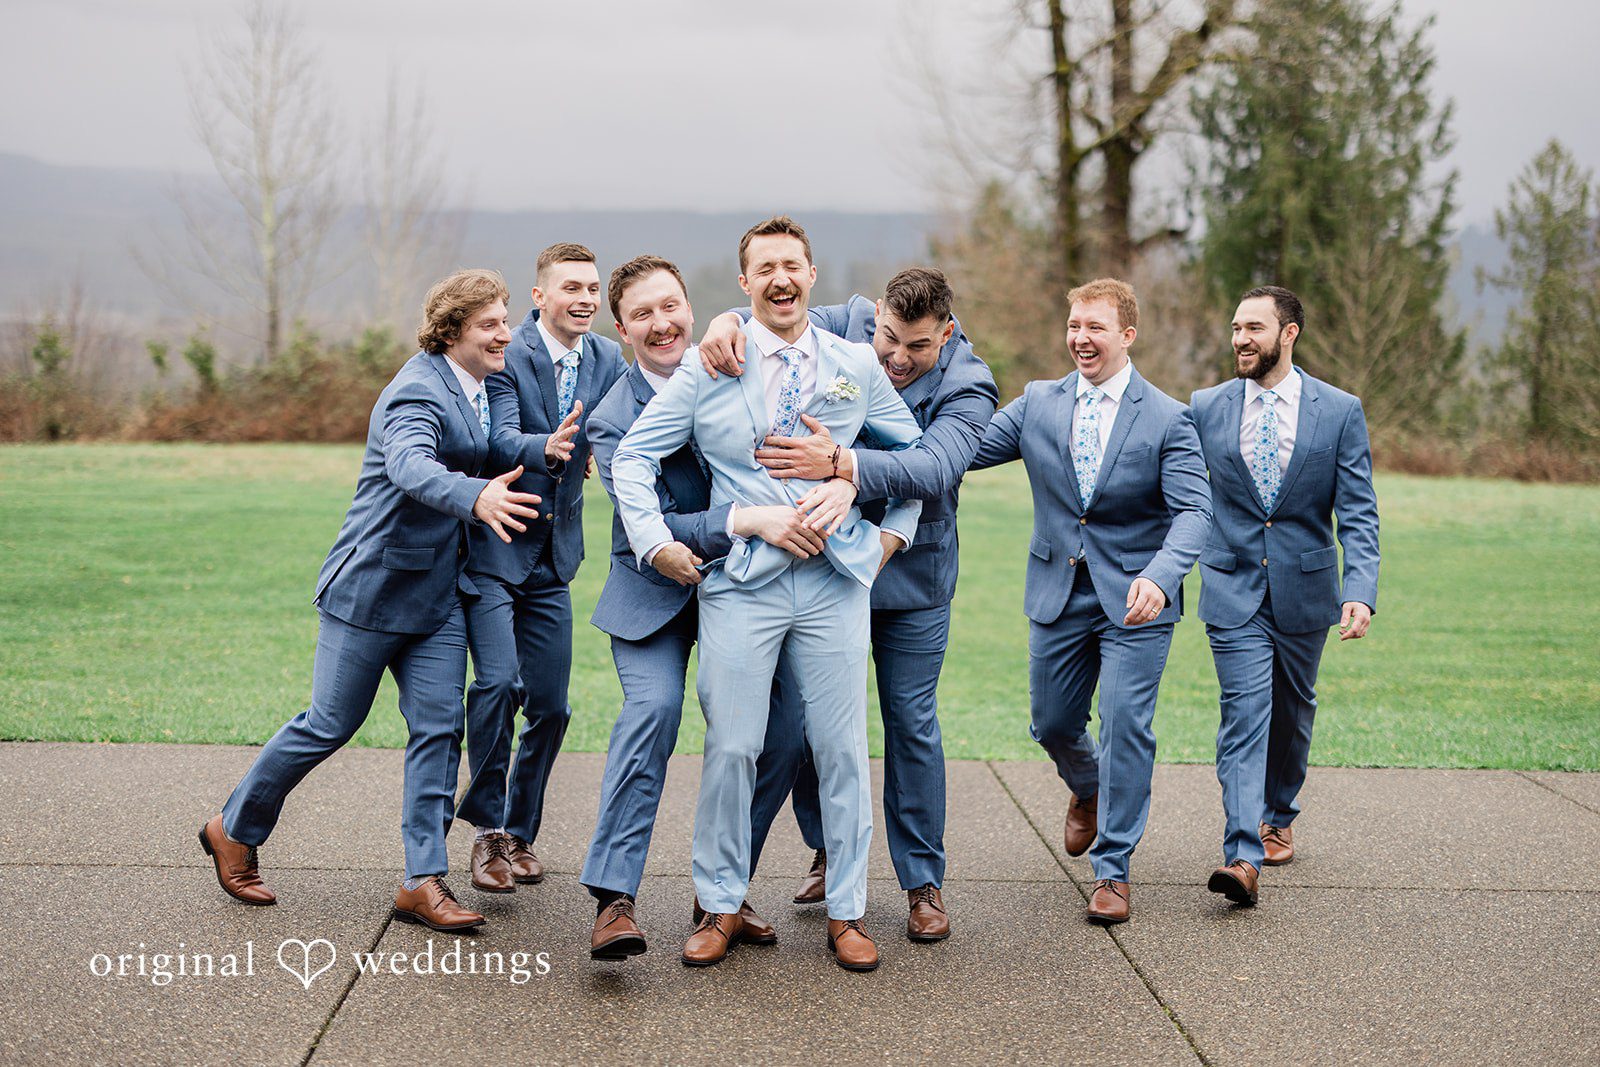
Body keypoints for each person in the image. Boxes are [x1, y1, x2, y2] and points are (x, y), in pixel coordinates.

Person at [611, 216, 923, 971]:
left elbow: (915, 455)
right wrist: (657, 542)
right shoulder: (710, 365)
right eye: (765, 268)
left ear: (811, 276)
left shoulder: (856, 361)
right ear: (745, 283)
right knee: (734, 748)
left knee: (843, 750)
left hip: (834, 584)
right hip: (741, 587)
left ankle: (847, 911)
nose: (781, 278)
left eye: (794, 264)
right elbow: (631, 457)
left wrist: (876, 518)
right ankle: (719, 902)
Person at [199, 269, 541, 932]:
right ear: (450, 333)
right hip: (371, 591)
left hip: (437, 595)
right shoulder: (415, 392)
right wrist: (476, 495)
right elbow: (411, 466)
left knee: (439, 728)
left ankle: (422, 879)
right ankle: (232, 826)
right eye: (491, 323)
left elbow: (498, 441)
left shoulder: (485, 385)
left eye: (505, 318)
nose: (505, 332)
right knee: (327, 723)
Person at [697, 267, 999, 941]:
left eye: (916, 348)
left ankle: (923, 882)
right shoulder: (848, 320)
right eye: (888, 337)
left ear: (945, 335)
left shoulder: (970, 383)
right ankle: (801, 858)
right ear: (876, 317)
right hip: (816, 564)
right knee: (799, 722)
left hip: (909, 575)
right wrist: (723, 324)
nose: (895, 357)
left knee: (910, 720)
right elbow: (774, 319)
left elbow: (933, 469)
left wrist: (842, 464)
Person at [580, 255, 809, 959]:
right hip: (654, 590)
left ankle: (724, 889)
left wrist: (730, 318)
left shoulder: (734, 361)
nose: (662, 323)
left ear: (691, 307)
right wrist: (744, 517)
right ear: (622, 330)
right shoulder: (613, 418)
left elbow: (818, 323)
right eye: (643, 314)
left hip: (745, 589)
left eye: (672, 306)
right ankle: (614, 899)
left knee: (786, 723)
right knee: (653, 711)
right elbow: (661, 518)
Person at [969, 277, 1210, 925]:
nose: (1081, 338)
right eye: (1074, 325)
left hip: (1138, 600)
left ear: (1127, 335)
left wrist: (1161, 575)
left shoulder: (1168, 417)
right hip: (1056, 591)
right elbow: (962, 450)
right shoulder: (1037, 403)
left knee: (1126, 724)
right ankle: (1088, 785)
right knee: (1050, 723)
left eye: (1095, 327)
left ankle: (1113, 869)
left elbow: (1194, 509)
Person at [1190, 285, 1379, 904]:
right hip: (1231, 585)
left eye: (1254, 328)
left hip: (1305, 588)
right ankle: (1242, 855)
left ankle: (1279, 813)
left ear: (1288, 333)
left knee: (1292, 712)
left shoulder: (1340, 410)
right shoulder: (1205, 406)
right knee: (1244, 715)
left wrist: (1361, 591)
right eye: (1236, 327)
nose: (1240, 339)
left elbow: (1357, 512)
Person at [457, 243, 626, 894]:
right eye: (570, 288)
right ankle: (486, 835)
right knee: (497, 687)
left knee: (552, 706)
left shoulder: (609, 358)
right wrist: (549, 448)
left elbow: (625, 429)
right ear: (539, 296)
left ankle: (520, 830)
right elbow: (498, 438)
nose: (584, 299)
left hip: (556, 556)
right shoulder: (509, 352)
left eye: (592, 288)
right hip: (497, 550)